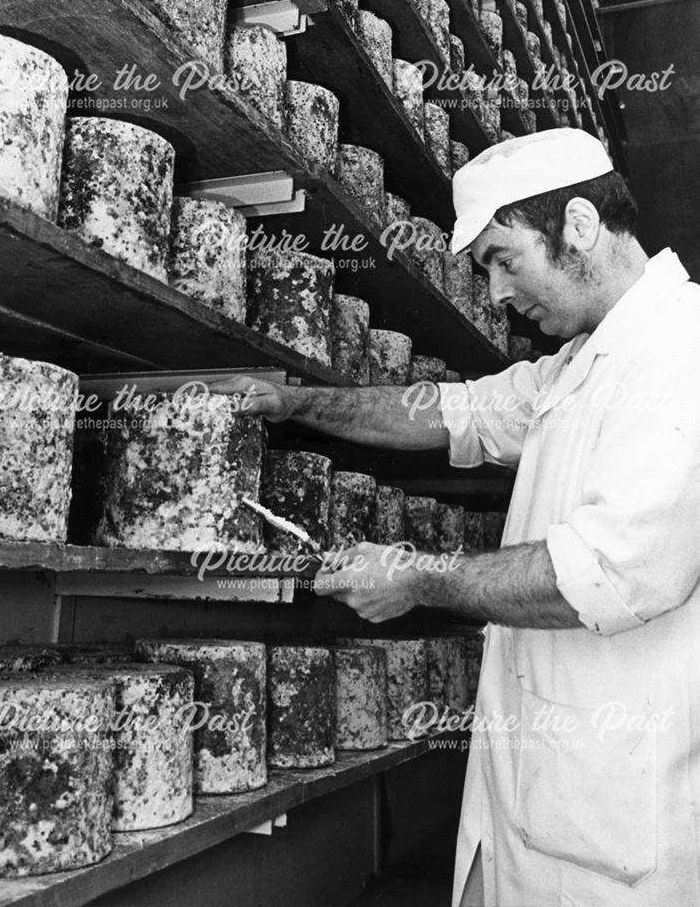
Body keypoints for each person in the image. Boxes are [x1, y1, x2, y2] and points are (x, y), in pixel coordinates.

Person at [211, 129, 700, 906]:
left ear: (577, 224)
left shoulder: (680, 348)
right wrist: (298, 402)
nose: (499, 293)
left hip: (617, 815)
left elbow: (609, 571)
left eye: (505, 260)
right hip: (539, 785)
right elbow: (445, 412)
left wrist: (417, 578)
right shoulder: (577, 361)